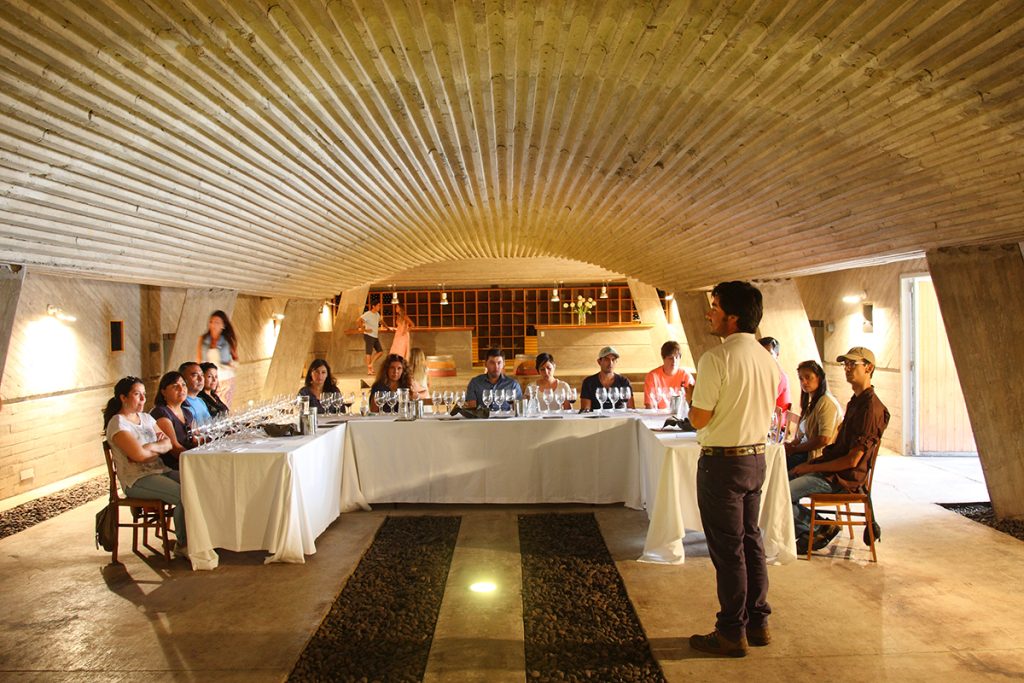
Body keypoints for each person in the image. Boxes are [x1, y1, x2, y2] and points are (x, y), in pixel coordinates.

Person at [686, 281, 779, 658]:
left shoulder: (716, 359)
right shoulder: (767, 360)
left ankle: (730, 631)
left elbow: (698, 418)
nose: (709, 313)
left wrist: (694, 401)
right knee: (751, 542)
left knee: (728, 550)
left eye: (715, 306)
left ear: (733, 317)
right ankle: (758, 623)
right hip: (756, 459)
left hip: (722, 464)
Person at [790, 347, 890, 554]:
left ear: (869, 368)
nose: (847, 368)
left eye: (853, 364)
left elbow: (851, 461)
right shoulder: (856, 402)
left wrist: (810, 467)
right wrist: (811, 465)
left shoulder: (870, 408)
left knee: (782, 493)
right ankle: (814, 529)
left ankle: (819, 528)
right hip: (831, 471)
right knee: (781, 483)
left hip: (843, 479)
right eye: (846, 364)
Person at [103, 376, 187, 558]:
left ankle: (203, 536)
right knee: (184, 496)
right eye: (137, 394)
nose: (142, 399)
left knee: (197, 485)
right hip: (138, 479)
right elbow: (138, 456)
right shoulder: (118, 423)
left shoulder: (147, 418)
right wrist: (154, 448)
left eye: (144, 394)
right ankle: (183, 544)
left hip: (161, 470)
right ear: (123, 397)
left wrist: (149, 447)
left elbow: (168, 444)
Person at [784, 360, 842, 471]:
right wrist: (790, 446)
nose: (804, 382)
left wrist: (795, 449)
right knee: (776, 456)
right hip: (802, 451)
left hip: (814, 457)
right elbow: (800, 437)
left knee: (777, 465)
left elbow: (823, 439)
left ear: (819, 377)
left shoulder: (826, 402)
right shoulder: (812, 403)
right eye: (801, 379)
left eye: (808, 377)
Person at [150, 371, 196, 469]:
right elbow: (174, 448)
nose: (181, 389)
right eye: (175, 386)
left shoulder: (187, 412)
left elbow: (193, 440)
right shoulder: (161, 412)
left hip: (187, 458)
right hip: (174, 464)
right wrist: (196, 461)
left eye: (183, 385)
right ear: (163, 392)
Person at [197, 310, 238, 407]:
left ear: (223, 325)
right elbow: (199, 359)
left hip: (225, 379)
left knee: (223, 407)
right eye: (211, 322)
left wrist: (231, 365)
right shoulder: (203, 339)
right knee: (209, 405)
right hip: (208, 379)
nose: (213, 325)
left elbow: (235, 359)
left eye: (217, 322)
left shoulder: (228, 340)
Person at [579, 346, 635, 411]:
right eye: (606, 359)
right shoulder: (588, 382)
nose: (610, 363)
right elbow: (586, 410)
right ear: (599, 362)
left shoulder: (624, 381)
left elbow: (631, 409)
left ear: (616, 361)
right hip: (596, 417)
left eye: (613, 359)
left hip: (619, 416)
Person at [643, 340, 695, 409]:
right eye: (670, 358)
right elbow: (649, 405)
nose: (674, 361)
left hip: (681, 414)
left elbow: (694, 402)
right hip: (658, 414)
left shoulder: (686, 376)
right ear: (663, 358)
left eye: (677, 357)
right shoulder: (652, 376)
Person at [357, 298, 390, 376]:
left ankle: (371, 364)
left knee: (380, 351)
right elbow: (358, 320)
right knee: (369, 353)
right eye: (378, 306)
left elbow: (381, 321)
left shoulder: (377, 314)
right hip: (369, 336)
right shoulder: (368, 314)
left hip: (375, 336)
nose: (379, 307)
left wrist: (387, 327)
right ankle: (369, 370)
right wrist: (364, 329)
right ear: (373, 306)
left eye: (380, 306)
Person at [758, 337, 791, 411]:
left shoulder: (779, 375)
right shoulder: (766, 373)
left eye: (769, 353)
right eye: (760, 353)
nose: (764, 357)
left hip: (775, 417)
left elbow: (764, 401)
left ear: (777, 354)